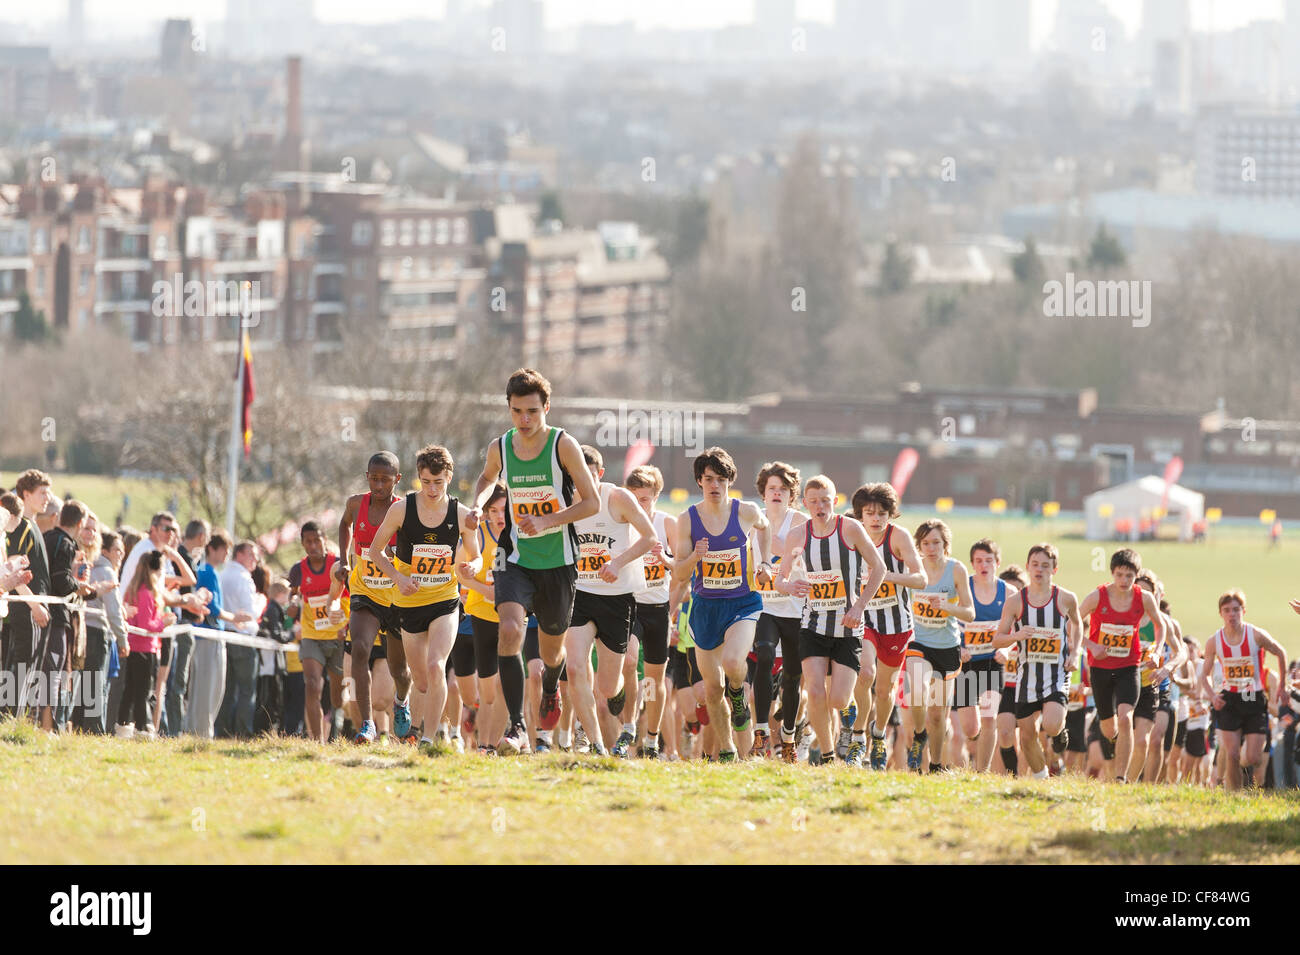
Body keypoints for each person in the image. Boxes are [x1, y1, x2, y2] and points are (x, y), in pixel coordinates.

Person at [467, 368, 601, 756]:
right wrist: (477, 505)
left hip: (558, 562)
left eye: (531, 412)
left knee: (551, 654)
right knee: (509, 629)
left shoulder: (563, 445)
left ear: (546, 408)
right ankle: (517, 726)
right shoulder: (501, 447)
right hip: (516, 557)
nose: (523, 420)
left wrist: (547, 520)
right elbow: (487, 478)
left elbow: (591, 503)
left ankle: (549, 689)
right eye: (516, 411)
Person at [368, 445, 479, 751]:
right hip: (410, 602)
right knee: (421, 681)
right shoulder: (402, 509)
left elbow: (478, 555)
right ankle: (402, 700)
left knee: (436, 665)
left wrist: (473, 565)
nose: (432, 489)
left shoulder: (461, 513)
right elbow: (376, 553)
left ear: (449, 478)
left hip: (445, 600)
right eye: (426, 482)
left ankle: (428, 739)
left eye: (439, 483)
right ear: (419, 478)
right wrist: (399, 578)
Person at [671, 447, 773, 762]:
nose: (715, 486)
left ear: (730, 481)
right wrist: (695, 557)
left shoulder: (746, 512)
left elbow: (765, 527)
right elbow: (679, 572)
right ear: (699, 482)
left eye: (721, 479)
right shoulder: (687, 520)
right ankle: (727, 750)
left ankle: (739, 692)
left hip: (742, 602)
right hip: (705, 607)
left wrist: (766, 562)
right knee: (713, 689)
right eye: (709, 479)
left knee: (732, 663)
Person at [774, 475, 885, 765]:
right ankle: (826, 754)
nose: (820, 506)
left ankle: (849, 727)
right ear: (805, 504)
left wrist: (859, 607)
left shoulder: (850, 529)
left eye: (825, 500)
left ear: (835, 501)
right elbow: (780, 579)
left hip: (847, 626)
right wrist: (789, 586)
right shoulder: (798, 535)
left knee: (837, 700)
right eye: (813, 501)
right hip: (813, 624)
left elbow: (879, 568)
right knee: (813, 690)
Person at [562, 446, 656, 757]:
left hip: (617, 599)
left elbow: (649, 537)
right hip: (580, 594)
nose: (581, 484)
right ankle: (596, 744)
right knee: (575, 668)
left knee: (607, 687)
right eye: (576, 478)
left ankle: (618, 696)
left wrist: (617, 563)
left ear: (599, 475)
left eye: (588, 477)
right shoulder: (566, 501)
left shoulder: (617, 498)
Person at [333, 451, 413, 744]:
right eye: (373, 478)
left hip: (395, 597)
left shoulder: (405, 510)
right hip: (365, 592)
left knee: (400, 670)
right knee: (361, 650)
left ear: (397, 480)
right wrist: (343, 560)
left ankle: (402, 701)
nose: (378, 485)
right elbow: (344, 525)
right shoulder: (356, 503)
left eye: (385, 480)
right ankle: (367, 724)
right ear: (367, 476)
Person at [851, 483, 928, 770]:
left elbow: (921, 580)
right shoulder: (851, 535)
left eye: (882, 513)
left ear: (890, 515)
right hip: (864, 618)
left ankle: (878, 734)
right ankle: (858, 735)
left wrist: (886, 576)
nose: (876, 518)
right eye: (870, 512)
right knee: (865, 672)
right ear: (860, 514)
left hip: (896, 625)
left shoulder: (899, 538)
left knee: (884, 691)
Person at [990, 544, 1081, 779]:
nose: (1039, 570)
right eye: (1035, 565)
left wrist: (1075, 652)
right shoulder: (1015, 601)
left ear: (1055, 569)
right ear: (1028, 566)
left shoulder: (1066, 598)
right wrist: (1016, 636)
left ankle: (1059, 732)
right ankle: (1041, 780)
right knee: (1027, 735)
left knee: (1050, 725)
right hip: (1026, 678)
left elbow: (1078, 625)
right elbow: (997, 639)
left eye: (1045, 565)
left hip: (1056, 675)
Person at [1077, 548, 1164, 782]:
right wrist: (1091, 645)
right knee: (1109, 729)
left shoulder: (1143, 598)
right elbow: (1071, 623)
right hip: (1101, 668)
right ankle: (1116, 742)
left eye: (1129, 576)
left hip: (1129, 667)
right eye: (1119, 575)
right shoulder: (1098, 596)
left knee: (1126, 718)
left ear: (1136, 575)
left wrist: (1156, 651)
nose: (1124, 581)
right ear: (1112, 573)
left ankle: (1120, 778)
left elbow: (1160, 626)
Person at [1198, 590, 1290, 791]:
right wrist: (1213, 696)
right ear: (1221, 613)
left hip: (1253, 699)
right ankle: (1233, 796)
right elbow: (1203, 675)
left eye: (1236, 610)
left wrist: (1282, 686)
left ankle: (1234, 772)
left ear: (1243, 611)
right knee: (1231, 753)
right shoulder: (1214, 641)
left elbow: (1280, 652)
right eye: (1227, 610)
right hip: (1228, 699)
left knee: (1253, 758)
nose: (1232, 614)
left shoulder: (1255, 634)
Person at [903, 519, 975, 773]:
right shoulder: (914, 568)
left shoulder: (956, 570)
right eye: (925, 543)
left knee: (937, 715)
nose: (931, 548)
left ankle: (935, 765)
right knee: (917, 692)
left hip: (947, 647)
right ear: (919, 546)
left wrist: (947, 607)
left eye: (936, 543)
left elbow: (969, 613)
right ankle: (919, 733)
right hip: (918, 641)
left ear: (946, 545)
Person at [748, 462, 805, 761]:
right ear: (763, 492)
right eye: (772, 488)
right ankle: (760, 732)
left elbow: (803, 557)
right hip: (764, 607)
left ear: (791, 494)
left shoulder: (802, 523)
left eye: (783, 489)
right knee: (765, 655)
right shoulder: (752, 521)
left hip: (795, 609)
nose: (777, 493)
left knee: (793, 676)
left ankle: (788, 736)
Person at [625, 465, 677, 759]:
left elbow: (682, 568)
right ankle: (629, 726)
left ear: (655, 497)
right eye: (633, 498)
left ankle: (652, 739)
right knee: (629, 662)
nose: (638, 505)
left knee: (652, 681)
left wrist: (665, 558)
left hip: (658, 608)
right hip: (630, 606)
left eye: (643, 499)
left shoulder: (667, 523)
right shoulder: (622, 523)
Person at [289, 522, 349, 742]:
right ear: (303, 544)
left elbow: (352, 597)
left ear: (325, 539)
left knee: (337, 694)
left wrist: (346, 624)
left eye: (317, 540)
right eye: (308, 541)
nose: (313, 545)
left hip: (338, 636)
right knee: (313, 685)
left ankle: (338, 714)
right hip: (312, 635)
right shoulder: (298, 570)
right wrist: (293, 604)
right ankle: (316, 742)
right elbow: (293, 595)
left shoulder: (338, 565)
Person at [956, 538, 1007, 772]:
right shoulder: (962, 587)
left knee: (989, 718)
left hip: (992, 662)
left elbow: (1017, 628)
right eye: (978, 561)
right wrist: (958, 648)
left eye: (988, 560)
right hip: (966, 664)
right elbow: (947, 621)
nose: (983, 565)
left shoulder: (1009, 592)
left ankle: (981, 771)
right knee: (970, 728)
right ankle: (973, 751)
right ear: (972, 564)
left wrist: (1007, 649)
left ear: (997, 562)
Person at [116, 550, 177, 738]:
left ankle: (124, 723)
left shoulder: (134, 591)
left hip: (135, 647)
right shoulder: (146, 593)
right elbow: (146, 625)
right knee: (142, 691)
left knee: (131, 689)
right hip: (145, 648)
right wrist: (163, 623)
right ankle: (142, 727)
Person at [40, 499, 89, 731]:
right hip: (55, 614)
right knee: (54, 671)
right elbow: (61, 579)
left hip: (43, 610)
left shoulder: (49, 536)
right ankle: (47, 727)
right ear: (80, 523)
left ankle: (44, 724)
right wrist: (79, 586)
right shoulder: (65, 542)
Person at [76, 529, 128, 734]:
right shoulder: (107, 572)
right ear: (105, 550)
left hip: (82, 630)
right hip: (98, 633)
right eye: (117, 550)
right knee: (96, 685)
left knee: (83, 682)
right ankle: (94, 730)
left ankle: (79, 726)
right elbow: (113, 612)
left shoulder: (87, 567)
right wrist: (123, 639)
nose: (121, 555)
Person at [166, 519, 210, 736]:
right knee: (176, 682)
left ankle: (174, 728)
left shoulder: (185, 557)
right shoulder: (182, 558)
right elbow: (180, 593)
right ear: (202, 536)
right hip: (178, 624)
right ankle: (172, 730)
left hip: (184, 622)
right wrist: (197, 602)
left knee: (178, 682)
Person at [215, 540, 264, 738]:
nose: (255, 560)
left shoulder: (223, 573)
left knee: (227, 689)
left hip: (226, 635)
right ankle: (243, 731)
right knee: (246, 690)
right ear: (240, 555)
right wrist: (261, 603)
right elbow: (250, 612)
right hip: (243, 637)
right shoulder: (244, 578)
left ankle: (223, 731)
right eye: (252, 555)